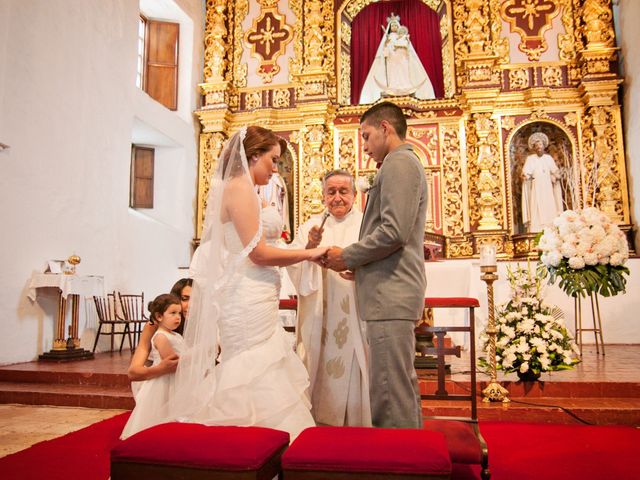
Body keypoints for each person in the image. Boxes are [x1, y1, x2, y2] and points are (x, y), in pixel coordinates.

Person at [164, 126, 328, 440]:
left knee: (260, 361)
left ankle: (258, 443)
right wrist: (311, 253)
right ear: (253, 156)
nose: (276, 168)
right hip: (247, 294)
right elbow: (259, 255)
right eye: (273, 160)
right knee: (253, 364)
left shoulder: (243, 189)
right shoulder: (240, 188)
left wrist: (303, 249)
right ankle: (252, 440)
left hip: (256, 293)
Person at [324, 101, 428, 429]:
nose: (365, 147)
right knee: (396, 387)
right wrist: (364, 266)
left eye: (367, 136)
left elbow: (394, 231)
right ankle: (414, 459)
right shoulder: (400, 163)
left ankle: (397, 466)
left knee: (387, 393)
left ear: (385, 128)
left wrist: (349, 255)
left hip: (390, 292)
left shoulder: (399, 163)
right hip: (388, 286)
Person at [287, 169, 371, 427]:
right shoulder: (310, 227)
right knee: (319, 360)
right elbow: (295, 265)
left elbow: (377, 258)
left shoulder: (366, 224)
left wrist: (361, 271)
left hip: (355, 307)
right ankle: (319, 423)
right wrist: (311, 246)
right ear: (323, 195)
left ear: (354, 195)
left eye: (343, 191)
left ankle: (357, 421)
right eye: (331, 192)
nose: (337, 197)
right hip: (321, 314)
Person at [121, 294, 185, 439]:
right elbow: (171, 360)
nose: (178, 317)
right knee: (160, 409)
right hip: (165, 378)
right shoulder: (160, 335)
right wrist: (195, 355)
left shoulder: (175, 335)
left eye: (179, 313)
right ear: (159, 316)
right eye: (173, 313)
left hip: (177, 376)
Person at [359, 13, 435, 104]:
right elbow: (385, 51)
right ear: (390, 27)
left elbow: (407, 48)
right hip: (392, 60)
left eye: (395, 25)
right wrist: (386, 45)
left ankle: (404, 87)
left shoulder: (402, 36)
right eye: (392, 25)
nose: (394, 27)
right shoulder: (388, 38)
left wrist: (405, 43)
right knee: (393, 74)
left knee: (403, 73)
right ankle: (392, 88)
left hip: (402, 59)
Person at [127, 278, 192, 382]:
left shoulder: (203, 325)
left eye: (195, 299)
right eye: (185, 299)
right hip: (164, 381)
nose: (190, 305)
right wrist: (161, 369)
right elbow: (133, 372)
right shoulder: (154, 325)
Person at [521, 132, 564, 232]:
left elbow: (555, 172)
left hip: (547, 187)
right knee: (536, 206)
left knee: (549, 205)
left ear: (544, 146)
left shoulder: (548, 158)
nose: (539, 147)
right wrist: (525, 175)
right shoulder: (530, 159)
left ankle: (551, 228)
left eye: (540, 145)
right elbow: (526, 172)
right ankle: (536, 229)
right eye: (536, 145)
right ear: (534, 147)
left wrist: (557, 175)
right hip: (536, 187)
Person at [258, 150, 291, 241]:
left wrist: (281, 192)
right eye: (274, 160)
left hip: (275, 204)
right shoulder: (255, 184)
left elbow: (281, 189)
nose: (275, 168)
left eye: (276, 161)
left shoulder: (277, 178)